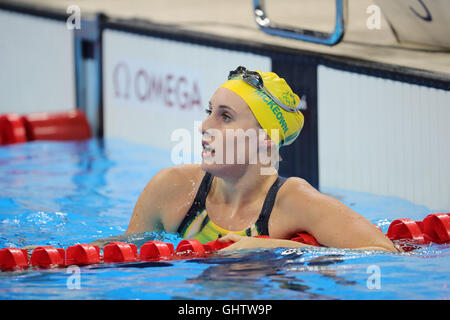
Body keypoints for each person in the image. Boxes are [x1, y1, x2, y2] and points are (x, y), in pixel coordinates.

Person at [104, 66, 398, 252]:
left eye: (226, 117)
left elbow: (384, 253)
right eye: (210, 112)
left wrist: (273, 248)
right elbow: (126, 254)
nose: (205, 127)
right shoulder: (173, 188)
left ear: (265, 138)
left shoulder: (295, 202)